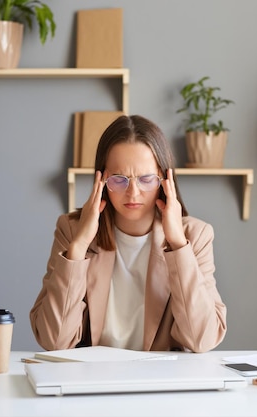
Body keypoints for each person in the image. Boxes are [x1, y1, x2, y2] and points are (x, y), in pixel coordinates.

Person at [29, 114, 226, 353]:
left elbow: (201, 340)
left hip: (160, 382)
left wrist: (177, 244)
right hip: (92, 381)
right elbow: (54, 340)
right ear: (100, 180)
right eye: (119, 179)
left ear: (165, 181)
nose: (133, 193)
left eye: (146, 179)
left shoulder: (195, 236)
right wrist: (78, 247)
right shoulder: (71, 230)